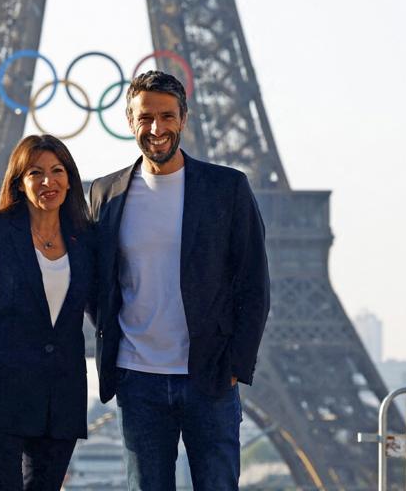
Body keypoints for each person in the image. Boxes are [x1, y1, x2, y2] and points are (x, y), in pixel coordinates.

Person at [87, 70, 270, 491]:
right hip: (137, 379)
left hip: (209, 375)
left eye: (167, 116)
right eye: (146, 118)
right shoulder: (105, 194)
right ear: (130, 122)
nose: (157, 128)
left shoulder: (227, 188)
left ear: (183, 118)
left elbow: (254, 285)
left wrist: (234, 365)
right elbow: (99, 286)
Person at [0, 134, 95, 491]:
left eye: (57, 170)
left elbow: (105, 308)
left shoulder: (86, 239)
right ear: (19, 182)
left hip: (59, 399)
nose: (49, 181)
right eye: (36, 173)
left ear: (70, 178)